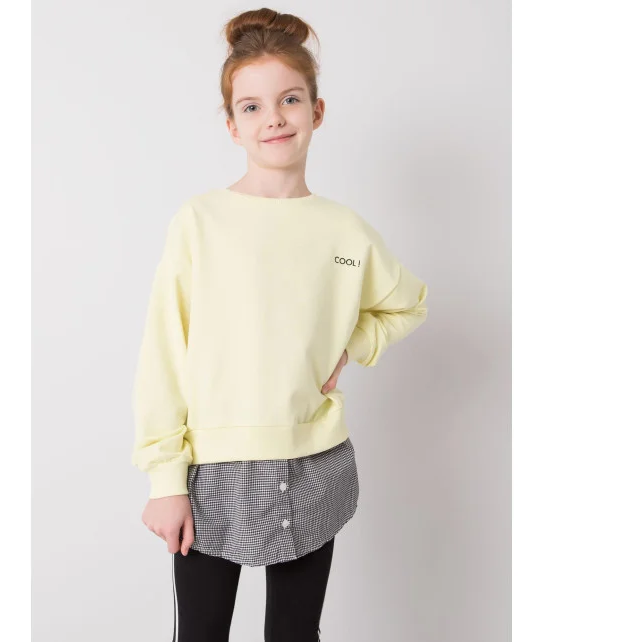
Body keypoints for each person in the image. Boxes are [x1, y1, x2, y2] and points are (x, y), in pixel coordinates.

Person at [130, 8, 429, 642]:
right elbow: (164, 353)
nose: (274, 118)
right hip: (210, 470)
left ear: (316, 111)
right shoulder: (200, 222)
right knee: (201, 633)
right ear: (233, 125)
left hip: (314, 462)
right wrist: (165, 480)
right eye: (252, 106)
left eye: (290, 99)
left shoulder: (345, 231)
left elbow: (407, 304)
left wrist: (353, 344)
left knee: (295, 636)